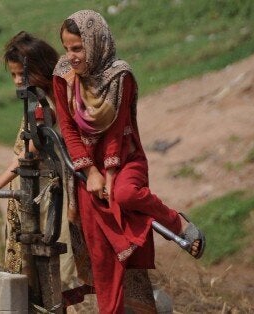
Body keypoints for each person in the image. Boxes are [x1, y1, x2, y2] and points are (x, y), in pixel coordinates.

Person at [53, 10, 206, 314]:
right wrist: (90, 171)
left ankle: (176, 221)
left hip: (125, 157)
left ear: (95, 44)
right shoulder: (63, 77)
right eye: (67, 48)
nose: (71, 56)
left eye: (77, 48)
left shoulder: (120, 76)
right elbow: (67, 128)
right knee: (101, 251)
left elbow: (115, 132)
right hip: (85, 168)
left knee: (124, 196)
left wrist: (108, 176)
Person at [0, 31, 89, 289]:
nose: (16, 82)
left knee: (45, 270)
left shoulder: (48, 104)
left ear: (40, 69)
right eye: (13, 75)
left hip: (46, 193)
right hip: (35, 188)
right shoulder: (49, 97)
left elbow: (31, 152)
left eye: (21, 75)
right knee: (37, 271)